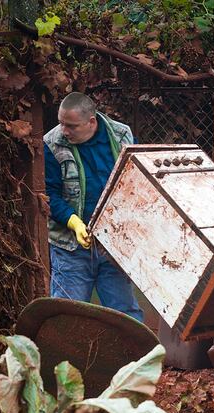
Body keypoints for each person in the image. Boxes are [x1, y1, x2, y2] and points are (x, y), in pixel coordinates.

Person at [44, 92, 143, 321]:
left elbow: (136, 181)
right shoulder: (52, 143)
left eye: (71, 126)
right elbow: (50, 195)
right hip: (70, 249)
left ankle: (135, 358)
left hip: (112, 243)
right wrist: (74, 222)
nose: (64, 131)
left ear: (91, 121)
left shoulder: (122, 135)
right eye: (61, 123)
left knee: (126, 315)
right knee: (67, 316)